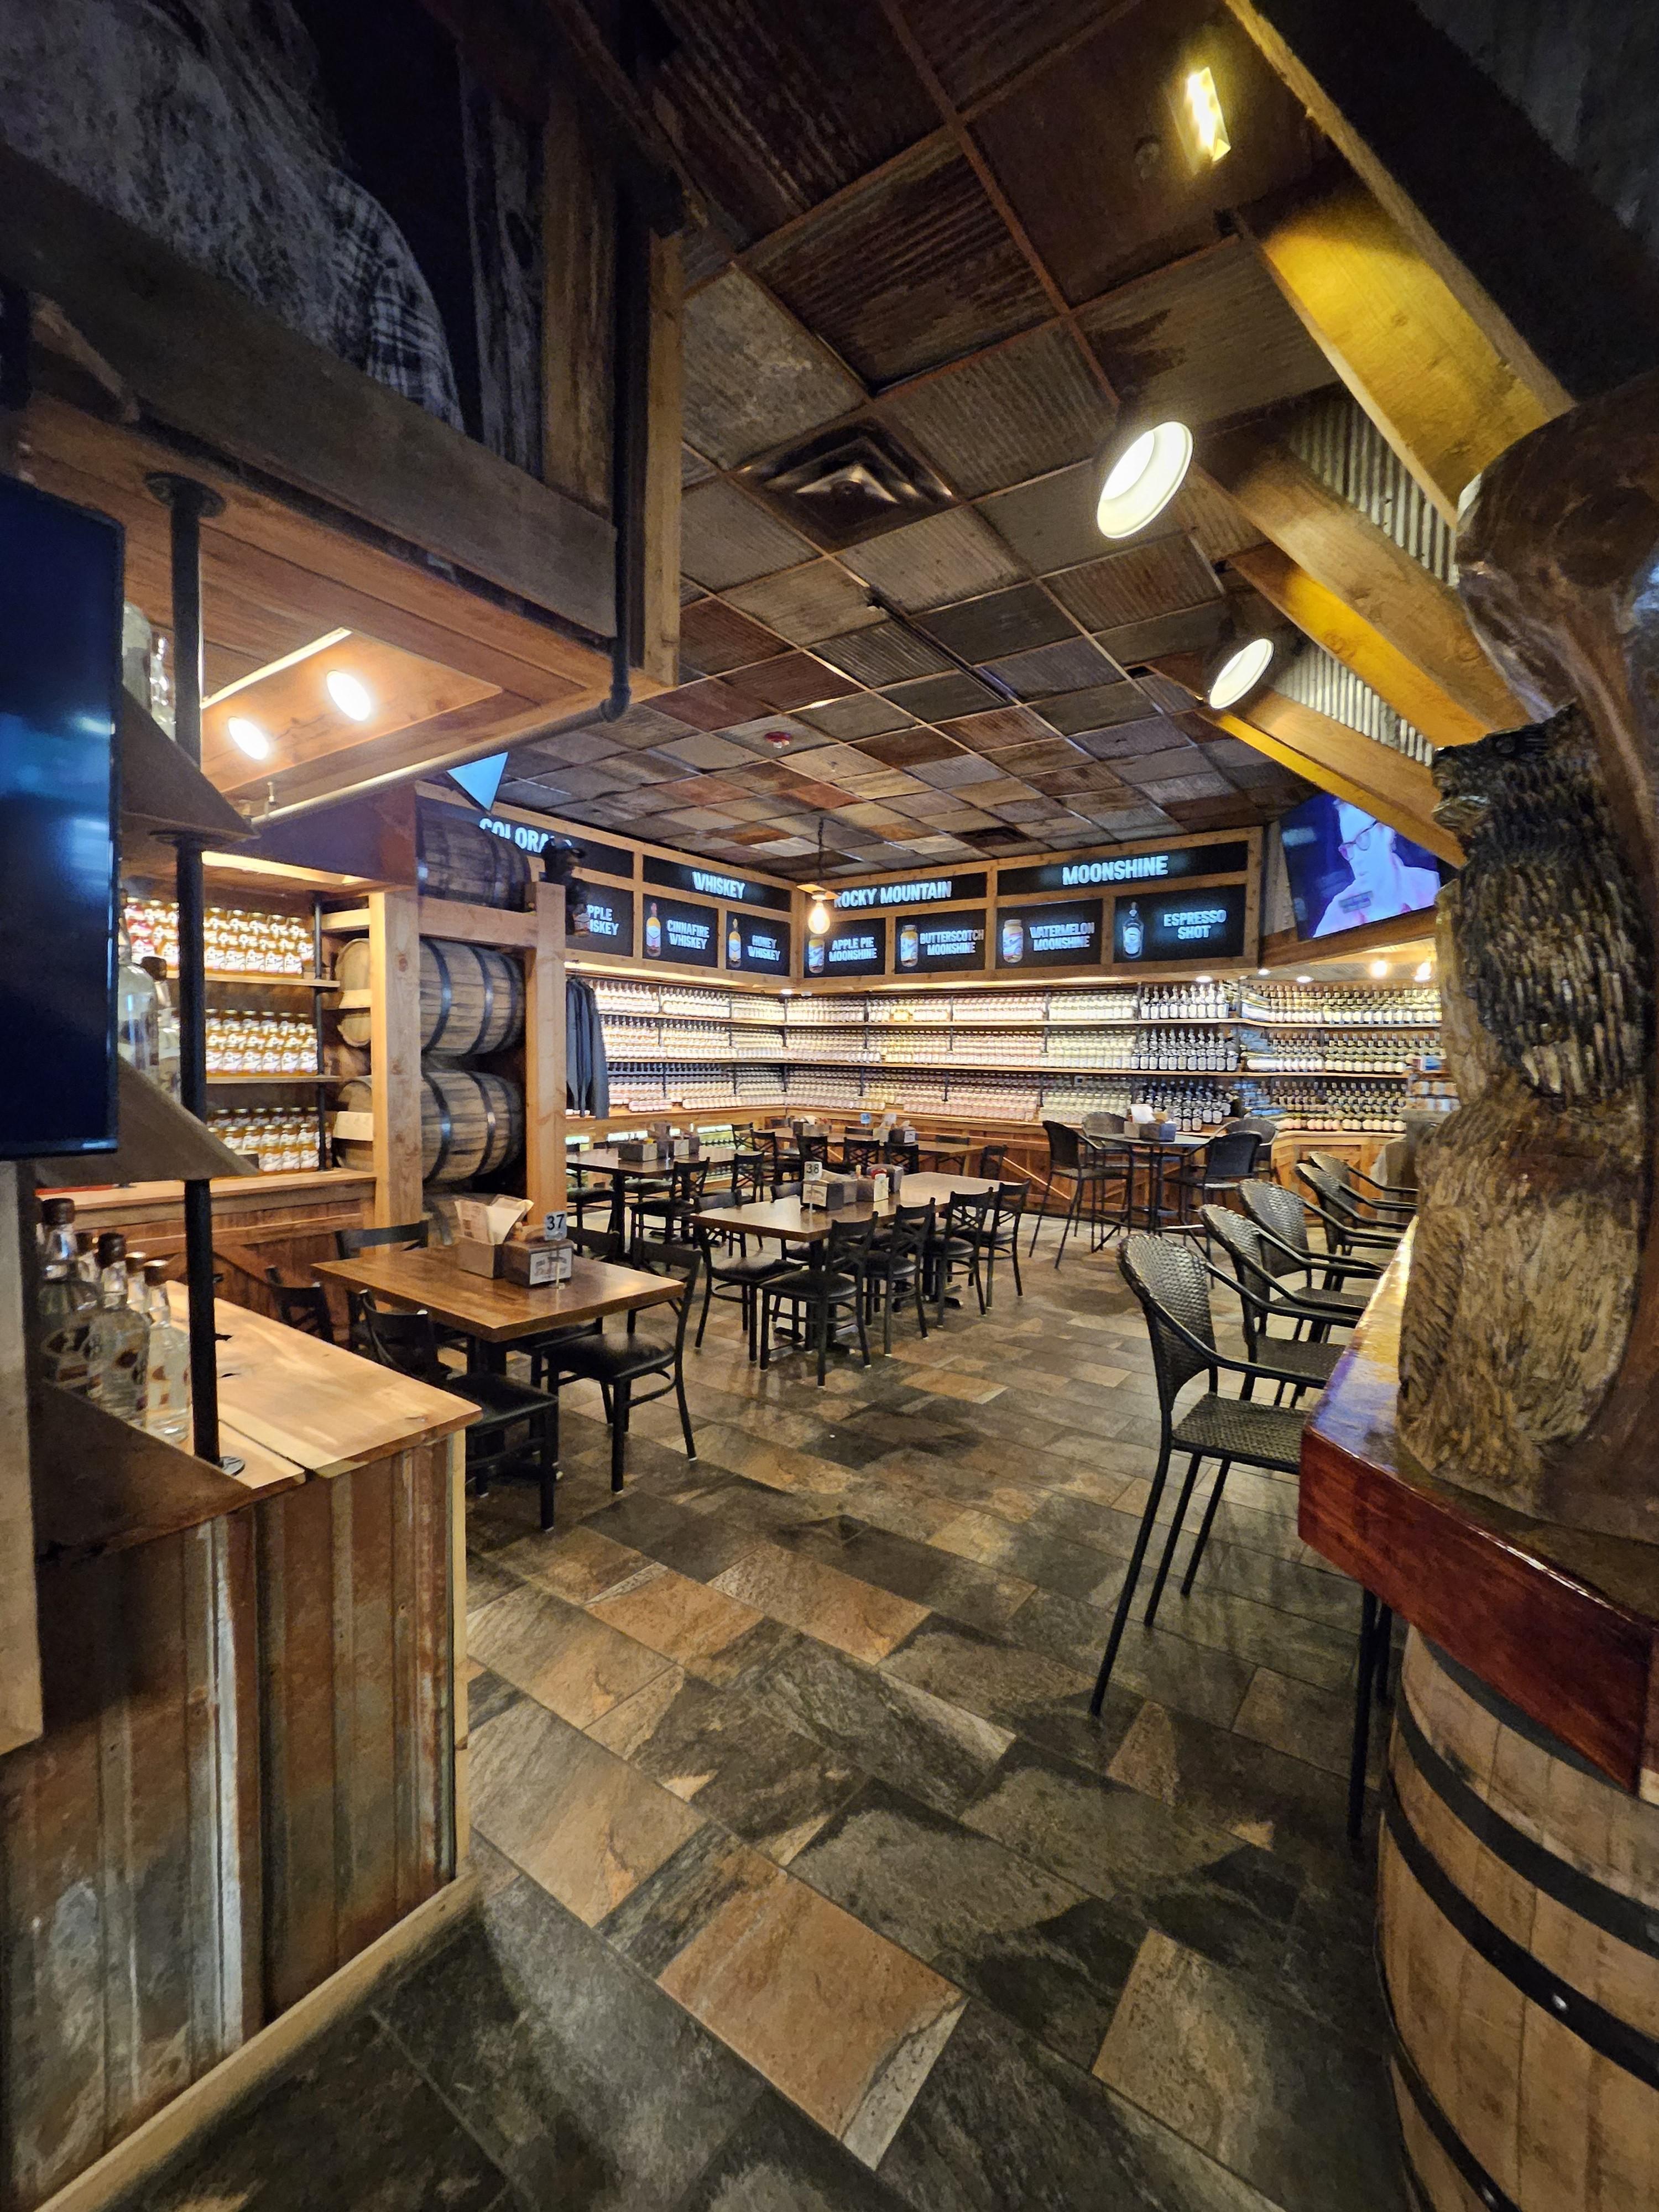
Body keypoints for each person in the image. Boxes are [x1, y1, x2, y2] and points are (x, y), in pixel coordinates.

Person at [1313, 804, 1441, 936]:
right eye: (1349, 847)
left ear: (1387, 831)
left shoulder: (1432, 886)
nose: (1356, 859)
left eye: (1362, 839)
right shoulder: (1341, 908)